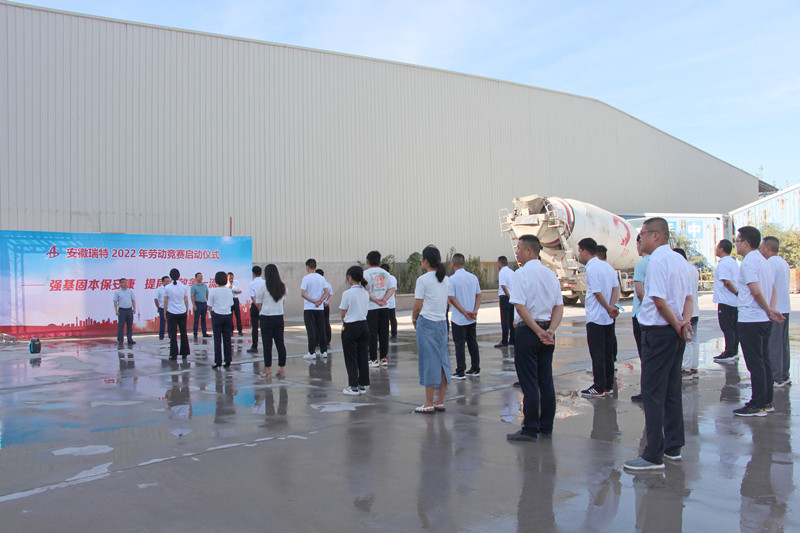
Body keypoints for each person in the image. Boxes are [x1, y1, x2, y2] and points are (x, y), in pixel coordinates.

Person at [623, 217, 693, 471]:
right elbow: (688, 299)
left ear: (655, 235)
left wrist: (676, 324)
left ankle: (653, 454)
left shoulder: (656, 261)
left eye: (641, 234)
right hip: (675, 332)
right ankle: (673, 446)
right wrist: (684, 323)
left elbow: (659, 302)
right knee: (672, 390)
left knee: (652, 393)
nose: (639, 239)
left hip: (659, 332)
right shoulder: (680, 260)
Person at [505, 234, 564, 441]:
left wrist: (537, 331)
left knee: (529, 381)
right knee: (545, 380)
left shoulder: (520, 274)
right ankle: (546, 425)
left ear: (529, 250)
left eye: (519, 248)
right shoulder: (551, 275)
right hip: (547, 331)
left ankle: (530, 428)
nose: (517, 252)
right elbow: (559, 306)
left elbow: (520, 306)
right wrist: (551, 330)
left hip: (529, 332)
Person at [733, 226, 783, 417]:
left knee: (755, 363)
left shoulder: (748, 263)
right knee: (764, 361)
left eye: (738, 241)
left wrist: (769, 310)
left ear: (746, 243)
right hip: (762, 318)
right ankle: (767, 401)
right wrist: (770, 309)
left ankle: (758, 404)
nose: (736, 245)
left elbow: (755, 291)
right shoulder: (763, 261)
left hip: (751, 319)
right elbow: (773, 289)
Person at [578, 238, 620, 397]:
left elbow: (596, 292)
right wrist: (612, 307)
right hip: (608, 318)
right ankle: (608, 385)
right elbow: (616, 288)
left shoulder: (591, 268)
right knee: (608, 353)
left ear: (585, 251)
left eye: (579, 251)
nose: (579, 255)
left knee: (597, 353)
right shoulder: (607, 266)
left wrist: (608, 307)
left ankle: (598, 386)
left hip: (596, 317)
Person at [411, 245, 451, 413]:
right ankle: (439, 401)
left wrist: (414, 319)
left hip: (427, 323)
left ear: (426, 261)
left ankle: (428, 403)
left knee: (428, 362)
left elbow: (417, 305)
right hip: (442, 323)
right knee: (443, 361)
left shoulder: (423, 280)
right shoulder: (446, 279)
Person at [760, 236, 792, 388]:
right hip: (784, 307)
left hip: (776, 309)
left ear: (767, 248)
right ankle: (784, 375)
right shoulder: (783, 262)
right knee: (782, 344)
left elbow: (768, 286)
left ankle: (776, 376)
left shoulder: (771, 263)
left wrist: (768, 308)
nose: (760, 250)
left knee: (773, 344)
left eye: (761, 247)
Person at [448, 253, 482, 379]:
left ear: (453, 264)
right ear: (464, 263)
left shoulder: (452, 279)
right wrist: (475, 310)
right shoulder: (473, 277)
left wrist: (463, 312)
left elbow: (452, 298)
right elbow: (479, 295)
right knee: (473, 343)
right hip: (472, 318)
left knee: (460, 345)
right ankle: (475, 368)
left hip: (459, 319)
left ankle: (460, 370)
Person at [340, 266, 371, 395]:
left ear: (350, 277)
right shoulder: (365, 292)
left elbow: (343, 312)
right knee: (363, 356)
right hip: (363, 325)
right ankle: (362, 385)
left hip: (350, 326)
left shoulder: (347, 293)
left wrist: (345, 322)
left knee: (351, 357)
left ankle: (353, 386)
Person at [364, 251, 396, 367]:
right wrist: (384, 299)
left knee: (372, 333)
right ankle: (383, 357)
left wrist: (374, 299)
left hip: (371, 308)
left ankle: (373, 358)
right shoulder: (386, 273)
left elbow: (364, 289)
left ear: (368, 261)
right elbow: (392, 288)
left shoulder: (365, 274)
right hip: (384, 307)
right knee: (384, 333)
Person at [255, 264, 287, 378]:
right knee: (280, 343)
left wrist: (264, 309)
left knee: (267, 345)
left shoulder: (263, 287)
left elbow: (258, 303)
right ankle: (281, 369)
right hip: (279, 317)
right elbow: (283, 302)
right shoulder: (283, 286)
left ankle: (268, 371)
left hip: (266, 317)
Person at [674, 249, 700, 378]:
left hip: (686, 312)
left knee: (687, 340)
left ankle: (686, 368)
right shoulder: (693, 269)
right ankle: (694, 366)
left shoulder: (682, 270)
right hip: (694, 309)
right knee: (694, 340)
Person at [713, 240, 740, 363]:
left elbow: (727, 281)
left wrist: (736, 292)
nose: (716, 249)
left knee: (727, 327)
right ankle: (733, 351)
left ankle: (728, 352)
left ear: (722, 249)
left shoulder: (724, 264)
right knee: (734, 328)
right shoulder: (733, 262)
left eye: (717, 247)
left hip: (726, 301)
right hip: (733, 302)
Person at [630, 235, 650, 402]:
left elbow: (640, 293)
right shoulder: (662, 261)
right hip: (657, 317)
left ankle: (647, 391)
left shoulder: (642, 264)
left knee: (645, 356)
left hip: (642, 315)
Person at [300, 259, 330, 358]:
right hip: (320, 308)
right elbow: (326, 292)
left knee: (311, 330)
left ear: (307, 267)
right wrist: (320, 301)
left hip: (309, 308)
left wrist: (313, 301)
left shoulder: (306, 278)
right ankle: (324, 351)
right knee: (321, 329)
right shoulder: (321, 278)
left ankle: (311, 352)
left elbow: (303, 293)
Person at [208, 271, 234, 368]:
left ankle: (218, 361)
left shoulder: (213, 291)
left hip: (217, 315)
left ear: (216, 280)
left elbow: (209, 306)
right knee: (227, 339)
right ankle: (228, 360)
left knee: (217, 339)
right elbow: (231, 303)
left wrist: (212, 314)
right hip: (227, 315)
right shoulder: (229, 290)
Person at [164, 268, 191, 360]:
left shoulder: (167, 287)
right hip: (182, 312)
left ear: (171, 276)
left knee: (173, 333)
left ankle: (173, 354)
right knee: (183, 332)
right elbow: (186, 300)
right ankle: (185, 353)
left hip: (171, 312)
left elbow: (165, 301)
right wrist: (186, 311)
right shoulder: (183, 286)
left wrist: (165, 312)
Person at [495, 256, 515, 348]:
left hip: (505, 297)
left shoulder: (502, 272)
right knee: (511, 319)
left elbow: (503, 286)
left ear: (500, 263)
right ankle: (513, 339)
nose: (497, 265)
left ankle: (504, 340)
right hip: (512, 297)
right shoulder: (512, 272)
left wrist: (509, 296)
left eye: (498, 263)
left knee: (505, 320)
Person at [113, 278, 136, 347]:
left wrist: (134, 308)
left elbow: (133, 300)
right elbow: (115, 301)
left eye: (126, 282)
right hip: (122, 310)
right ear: (120, 284)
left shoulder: (130, 291)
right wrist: (116, 310)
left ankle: (130, 339)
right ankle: (120, 340)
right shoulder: (117, 292)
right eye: (123, 282)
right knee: (121, 326)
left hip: (129, 310)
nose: (125, 284)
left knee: (129, 326)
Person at [247, 266, 265, 354]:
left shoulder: (252, 283)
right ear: (261, 273)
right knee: (264, 327)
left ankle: (254, 346)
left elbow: (252, 296)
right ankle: (266, 345)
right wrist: (261, 306)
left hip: (255, 306)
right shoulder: (265, 283)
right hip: (264, 305)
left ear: (253, 274)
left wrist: (257, 306)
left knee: (255, 327)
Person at [381, 263, 399, 340]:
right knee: (392, 319)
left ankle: (384, 334)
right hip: (391, 303)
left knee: (384, 321)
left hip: (384, 303)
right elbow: (395, 291)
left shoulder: (382, 278)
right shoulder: (393, 278)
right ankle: (394, 334)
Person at [190, 272, 210, 340]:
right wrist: (194, 305)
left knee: (203, 319)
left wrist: (207, 302)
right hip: (197, 304)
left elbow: (207, 294)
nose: (200, 277)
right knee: (196, 319)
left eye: (201, 276)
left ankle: (204, 332)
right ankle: (195, 333)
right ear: (196, 278)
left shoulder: (205, 286)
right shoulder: (194, 286)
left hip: (204, 304)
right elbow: (192, 296)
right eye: (199, 276)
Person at [317, 269, 333, 346]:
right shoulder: (328, 284)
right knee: (326, 322)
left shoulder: (317, 284)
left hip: (318, 306)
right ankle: (328, 339)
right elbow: (331, 295)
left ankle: (319, 340)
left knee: (318, 323)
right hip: (325, 305)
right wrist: (327, 302)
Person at [227, 272, 243, 336]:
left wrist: (237, 292)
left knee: (238, 315)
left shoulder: (236, 282)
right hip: (229, 300)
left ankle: (240, 330)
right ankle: (231, 330)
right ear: (227, 278)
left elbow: (240, 291)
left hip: (235, 299)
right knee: (230, 316)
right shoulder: (226, 284)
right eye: (230, 278)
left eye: (232, 277)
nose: (231, 279)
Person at [154, 276, 170, 340]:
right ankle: (161, 336)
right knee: (162, 322)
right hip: (162, 308)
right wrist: (158, 307)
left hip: (170, 308)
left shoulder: (170, 288)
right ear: (162, 282)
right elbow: (156, 299)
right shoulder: (159, 289)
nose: (168, 282)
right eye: (166, 281)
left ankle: (170, 335)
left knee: (170, 323)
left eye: (168, 281)